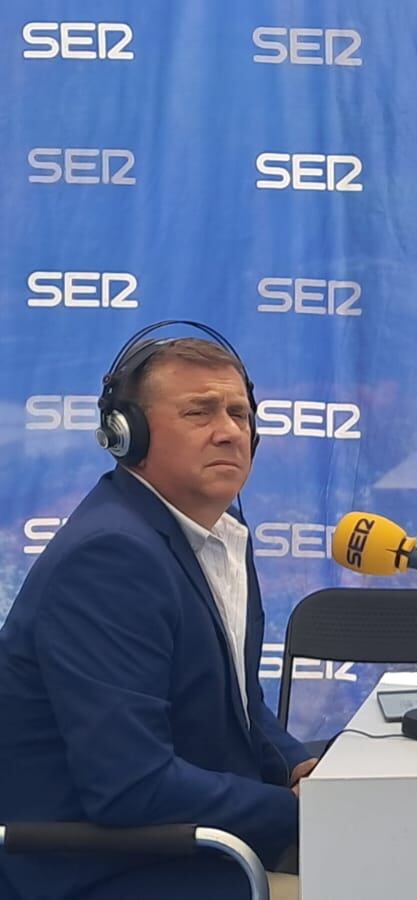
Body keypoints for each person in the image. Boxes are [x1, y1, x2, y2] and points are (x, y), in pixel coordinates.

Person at [0, 325, 310, 900]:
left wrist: (300, 768)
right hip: (109, 872)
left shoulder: (220, 532)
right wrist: (297, 812)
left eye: (240, 414)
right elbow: (130, 785)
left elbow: (242, 708)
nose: (229, 432)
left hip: (193, 845)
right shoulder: (111, 557)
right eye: (199, 412)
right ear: (127, 434)